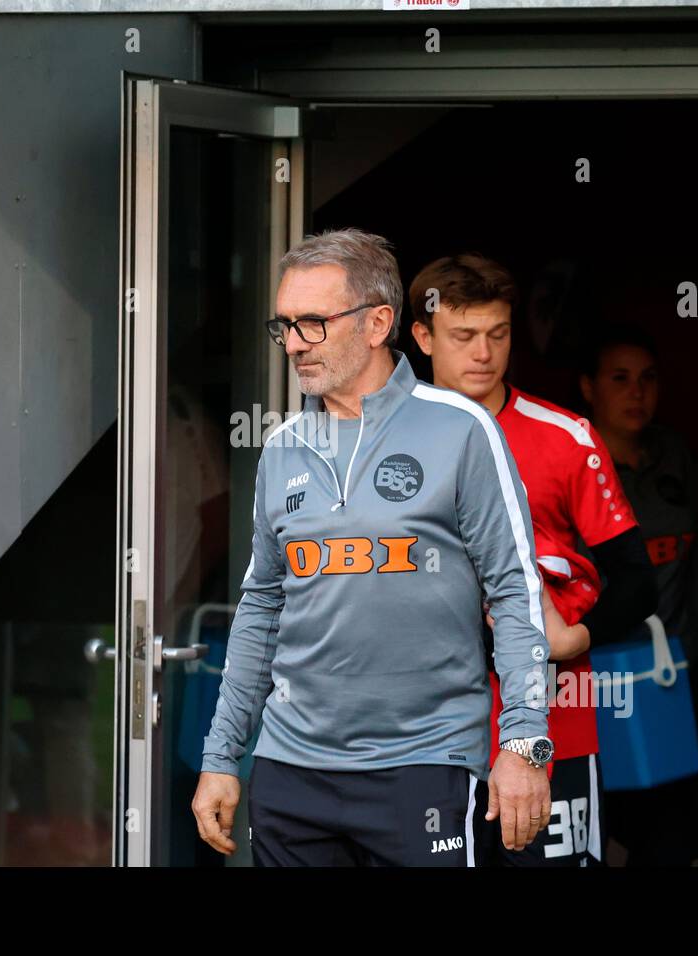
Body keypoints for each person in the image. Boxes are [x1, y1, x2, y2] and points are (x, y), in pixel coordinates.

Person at [191, 228, 553, 867]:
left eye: (314, 323)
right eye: (285, 326)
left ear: (378, 322)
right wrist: (221, 757)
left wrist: (524, 744)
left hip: (424, 765)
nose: (295, 343)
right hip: (290, 771)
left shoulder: (463, 430)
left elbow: (516, 594)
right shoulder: (282, 449)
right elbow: (259, 614)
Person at [409, 253, 658, 867]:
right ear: (422, 336)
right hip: (418, 736)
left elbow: (636, 581)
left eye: (498, 334)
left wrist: (571, 640)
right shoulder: (382, 438)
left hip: (553, 725)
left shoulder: (567, 436)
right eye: (463, 336)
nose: (484, 353)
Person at [579, 323, 698, 865]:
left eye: (648, 379)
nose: (637, 392)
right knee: (590, 830)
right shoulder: (569, 459)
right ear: (588, 387)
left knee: (672, 837)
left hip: (669, 671)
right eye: (620, 378)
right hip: (594, 678)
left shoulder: (674, 455)